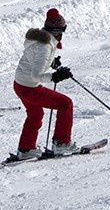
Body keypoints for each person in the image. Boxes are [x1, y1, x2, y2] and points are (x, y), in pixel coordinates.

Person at [13, 8, 76, 159]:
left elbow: (34, 60)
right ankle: (61, 143)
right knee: (66, 104)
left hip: (20, 85)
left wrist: (52, 62)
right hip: (29, 87)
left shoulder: (39, 41)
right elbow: (36, 75)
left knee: (35, 115)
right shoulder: (44, 46)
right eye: (62, 30)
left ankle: (26, 149)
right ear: (57, 30)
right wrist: (56, 77)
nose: (62, 35)